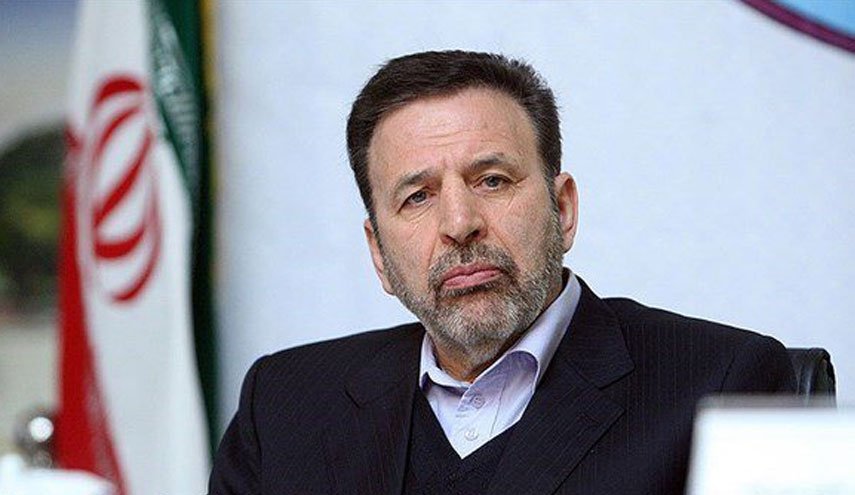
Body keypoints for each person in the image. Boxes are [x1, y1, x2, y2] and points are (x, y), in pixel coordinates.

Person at [208, 50, 795, 495]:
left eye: (492, 180)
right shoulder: (286, 404)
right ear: (379, 253)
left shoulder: (721, 385)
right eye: (417, 197)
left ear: (563, 210)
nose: (459, 223)